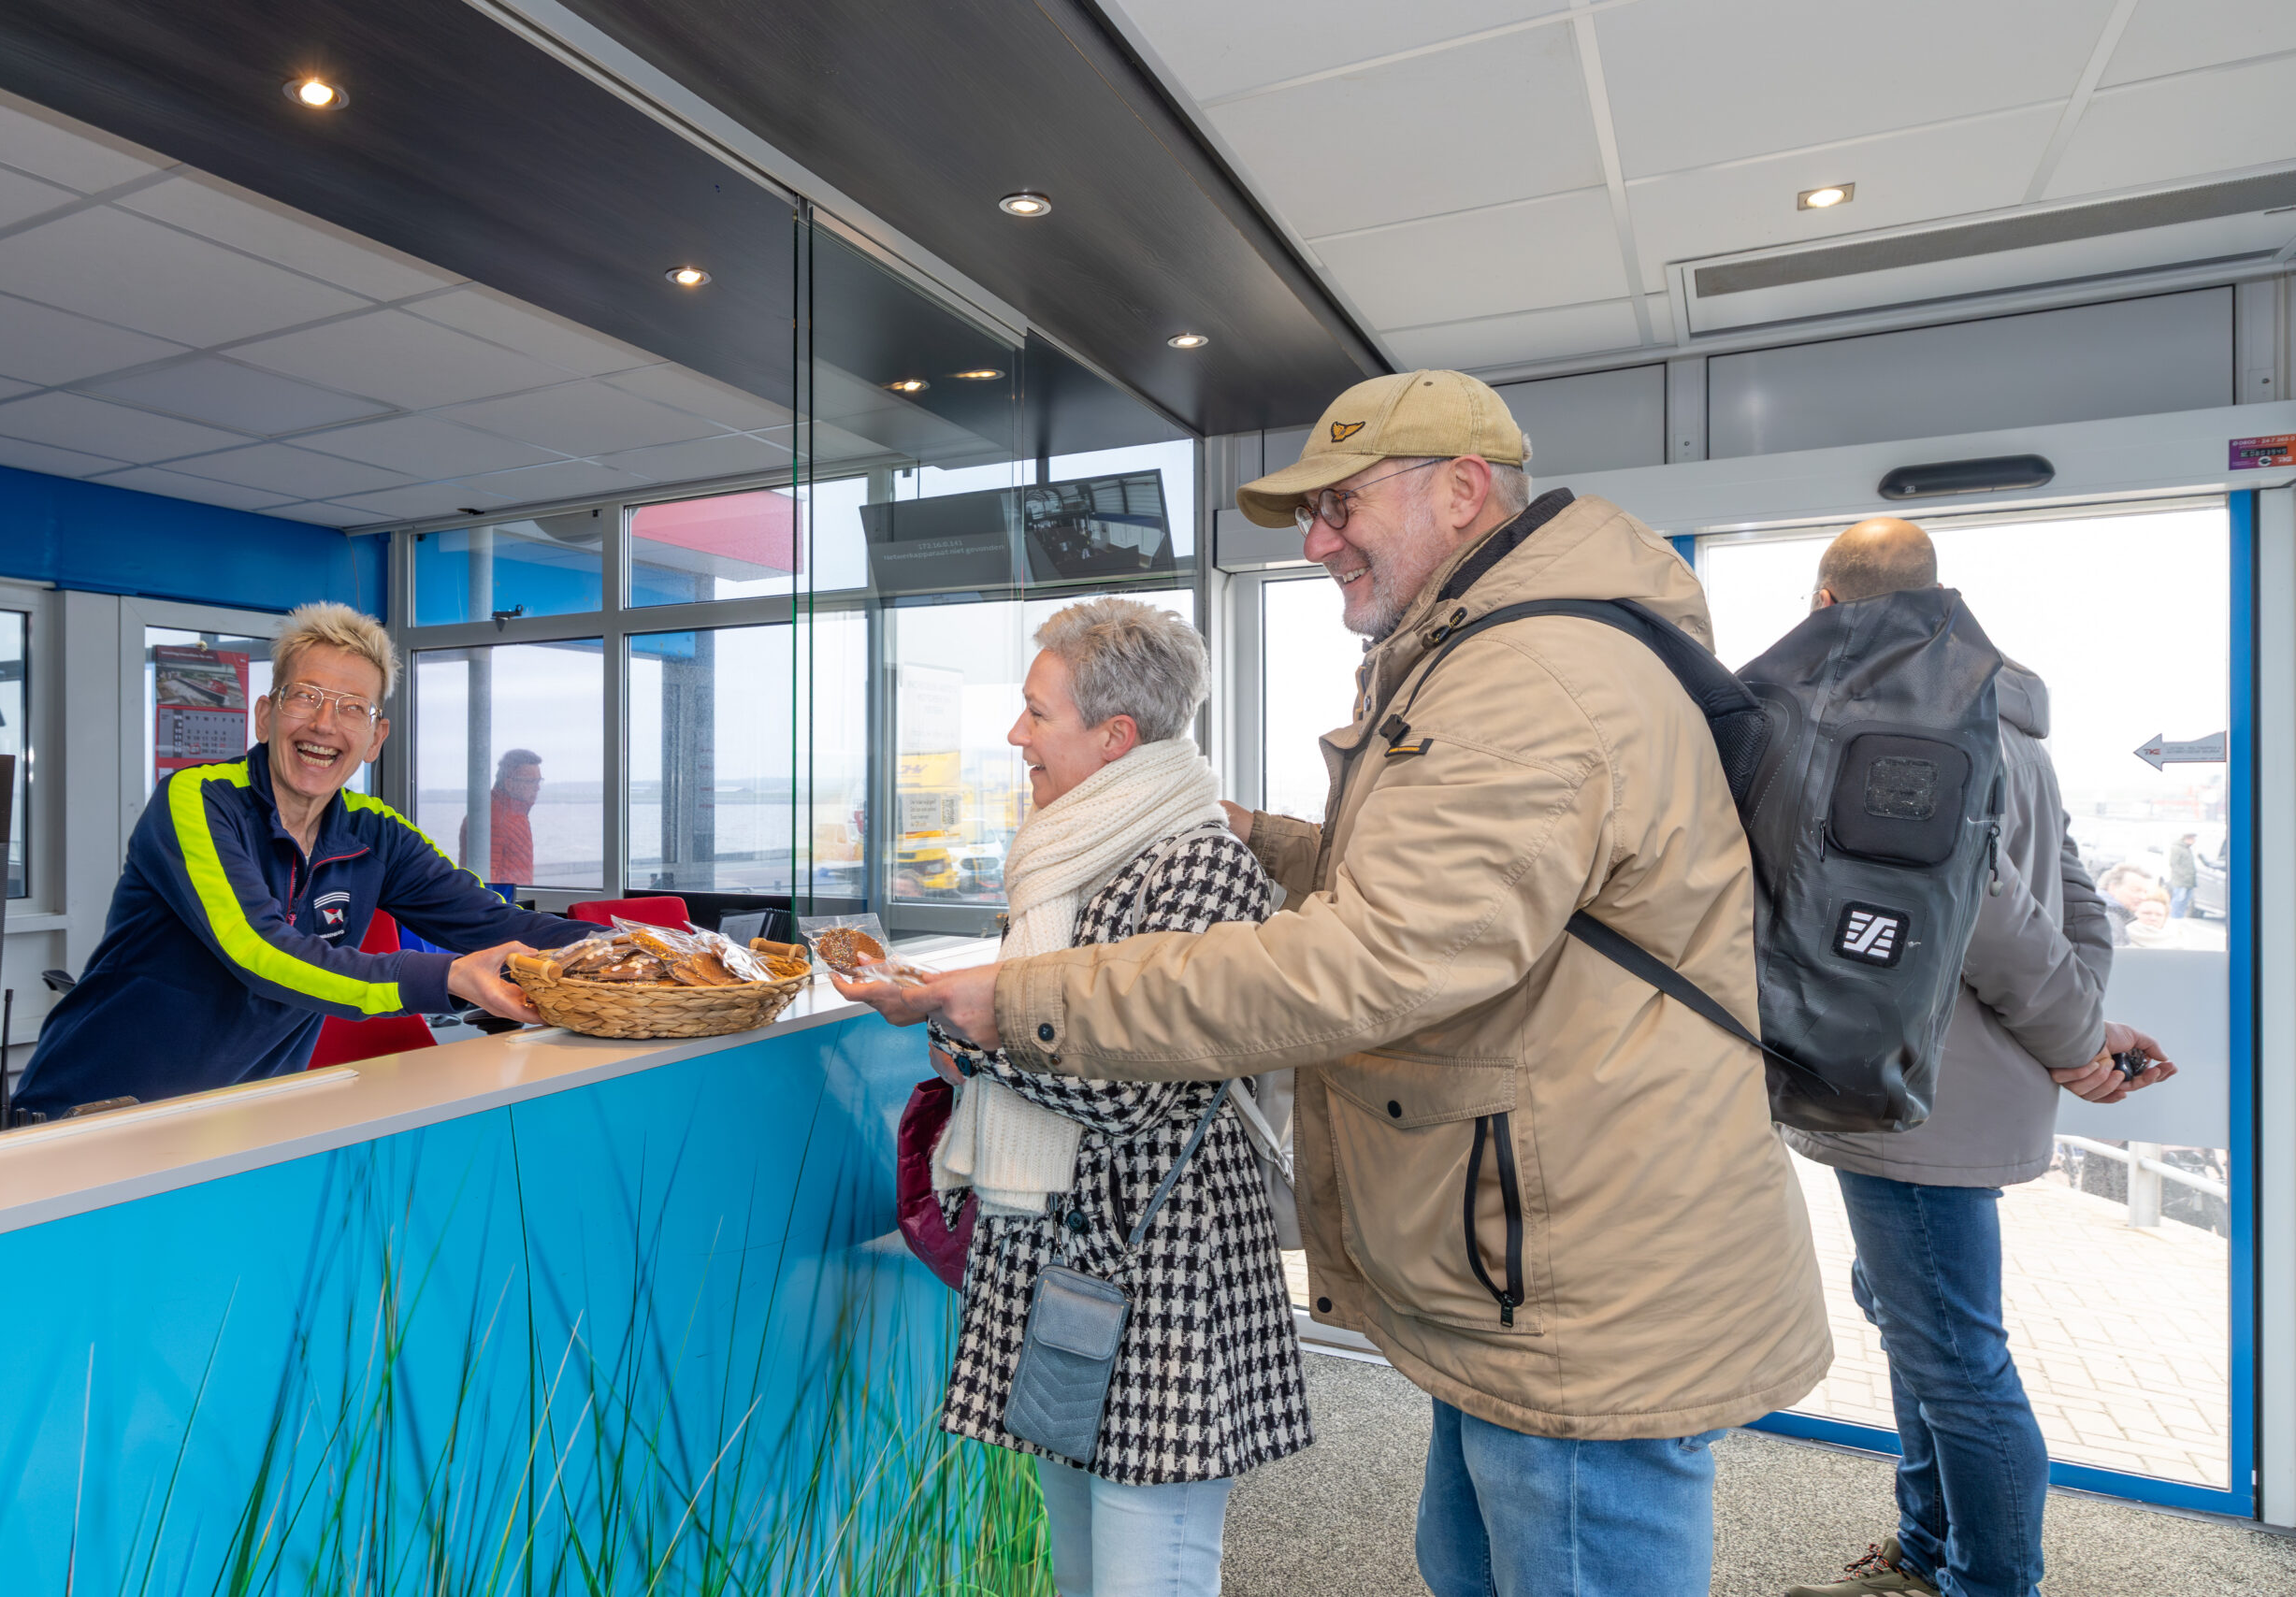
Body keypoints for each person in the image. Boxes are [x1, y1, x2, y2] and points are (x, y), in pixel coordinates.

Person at [842, 370, 1832, 1597]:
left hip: (1584, 1268)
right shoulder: (1490, 653)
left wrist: (1023, 1002)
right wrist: (1272, 837)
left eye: (1343, 504)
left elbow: (1381, 955)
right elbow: (1472, 897)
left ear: (1463, 492)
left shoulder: (1529, 677)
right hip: (1540, 1247)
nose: (1318, 541)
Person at [1782, 518, 2176, 1597]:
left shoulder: (1906, 736)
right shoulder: (2013, 726)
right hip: (1950, 1087)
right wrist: (2081, 1019)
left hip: (1919, 1095)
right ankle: (1926, 1549)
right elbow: (2075, 891)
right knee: (1916, 1325)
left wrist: (2080, 1040)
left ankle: (1985, 1579)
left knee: (1956, 1359)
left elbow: (1990, 917)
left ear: (1827, 609)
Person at [915, 597, 1308, 1597]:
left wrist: (976, 1031)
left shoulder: (1201, 864)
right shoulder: (1068, 857)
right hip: (1065, 1260)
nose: (1016, 737)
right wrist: (971, 1027)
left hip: (1162, 1269)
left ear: (1114, 736)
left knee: (1148, 1569)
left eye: (1036, 714)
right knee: (1084, 1564)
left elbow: (1131, 1083)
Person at [13, 603, 593, 1118]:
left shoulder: (377, 832)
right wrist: (444, 977)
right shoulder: (197, 799)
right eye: (306, 697)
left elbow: (497, 923)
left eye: (351, 708)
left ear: (375, 737)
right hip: (101, 1111)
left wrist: (651, 946)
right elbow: (259, 950)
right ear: (266, 715)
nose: (323, 723)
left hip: (248, 1114)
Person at [466, 747, 542, 886]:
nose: (538, 788)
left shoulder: (516, 814)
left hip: (512, 904)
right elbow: (484, 885)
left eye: (539, 781)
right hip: (502, 905)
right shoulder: (492, 819)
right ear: (509, 783)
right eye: (531, 782)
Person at [2166, 832, 2198, 919]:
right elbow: (2174, 864)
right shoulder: (2177, 848)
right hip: (2180, 880)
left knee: (2185, 901)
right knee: (2178, 900)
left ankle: (2179, 917)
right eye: (2192, 838)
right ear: (2187, 838)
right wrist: (2183, 875)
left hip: (2189, 881)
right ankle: (2172, 917)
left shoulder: (2187, 849)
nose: (2194, 841)